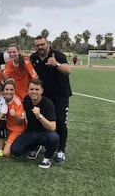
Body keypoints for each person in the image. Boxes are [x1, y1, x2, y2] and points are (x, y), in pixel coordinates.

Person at [30, 35, 71, 163]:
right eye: (37, 45)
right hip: (44, 97)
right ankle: (46, 145)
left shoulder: (57, 55)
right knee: (41, 121)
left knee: (60, 122)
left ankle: (61, 149)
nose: (40, 47)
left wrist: (56, 64)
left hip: (60, 96)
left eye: (42, 44)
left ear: (48, 43)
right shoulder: (34, 58)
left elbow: (67, 70)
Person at [11, 79, 60, 169]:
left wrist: (39, 116)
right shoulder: (27, 99)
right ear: (28, 90)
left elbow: (52, 127)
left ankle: (47, 159)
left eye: (37, 89)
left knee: (53, 137)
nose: (34, 92)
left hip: (45, 134)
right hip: (31, 132)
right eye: (31, 89)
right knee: (15, 151)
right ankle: (34, 147)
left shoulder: (48, 103)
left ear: (42, 91)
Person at [2, 79, 26, 157]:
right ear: (3, 90)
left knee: (6, 153)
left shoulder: (17, 103)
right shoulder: (1, 100)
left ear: (15, 91)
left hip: (16, 129)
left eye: (11, 90)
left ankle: (25, 144)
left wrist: (15, 115)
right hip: (5, 128)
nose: (9, 92)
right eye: (7, 89)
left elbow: (20, 123)